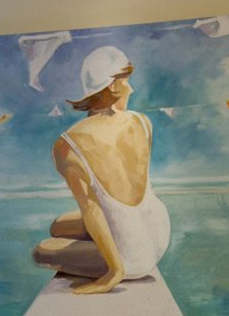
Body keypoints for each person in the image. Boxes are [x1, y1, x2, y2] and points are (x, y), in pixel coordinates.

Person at [32, 46, 170, 294]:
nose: (132, 87)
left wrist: (113, 272)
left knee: (42, 250)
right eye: (126, 79)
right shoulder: (143, 122)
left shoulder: (68, 144)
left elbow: (92, 209)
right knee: (58, 225)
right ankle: (118, 246)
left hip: (132, 257)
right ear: (113, 86)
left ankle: (114, 261)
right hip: (159, 231)